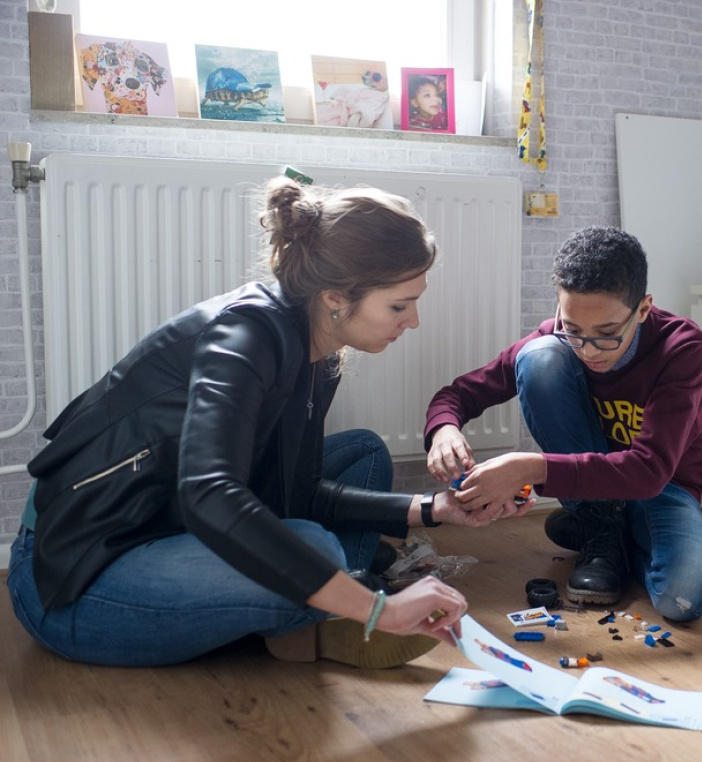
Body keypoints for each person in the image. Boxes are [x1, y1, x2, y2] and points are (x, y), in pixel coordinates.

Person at [7, 176, 530, 668]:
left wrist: (435, 509)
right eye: (399, 305)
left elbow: (297, 491)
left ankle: (324, 609)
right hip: (74, 576)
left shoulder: (314, 345)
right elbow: (210, 495)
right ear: (335, 298)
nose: (412, 321)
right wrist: (378, 606)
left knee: (364, 453)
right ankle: (345, 606)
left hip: (164, 523)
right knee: (316, 548)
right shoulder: (243, 338)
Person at [425, 226, 702, 622]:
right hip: (596, 489)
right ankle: (600, 527)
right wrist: (444, 430)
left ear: (643, 309)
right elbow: (457, 394)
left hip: (662, 485)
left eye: (607, 334)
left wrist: (530, 468)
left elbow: (649, 471)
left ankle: (614, 539)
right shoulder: (556, 338)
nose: (587, 350)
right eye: (573, 329)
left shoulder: (681, 346)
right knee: (538, 357)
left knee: (683, 598)